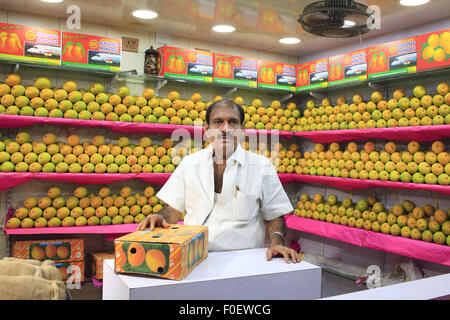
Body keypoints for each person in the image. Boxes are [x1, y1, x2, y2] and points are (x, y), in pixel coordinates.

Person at [137, 99, 300, 263]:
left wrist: (277, 243)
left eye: (233, 122)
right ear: (207, 130)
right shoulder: (189, 163)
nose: (225, 128)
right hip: (193, 257)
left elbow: (275, 217)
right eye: (218, 122)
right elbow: (173, 210)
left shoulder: (261, 166)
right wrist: (159, 217)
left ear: (242, 130)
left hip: (244, 261)